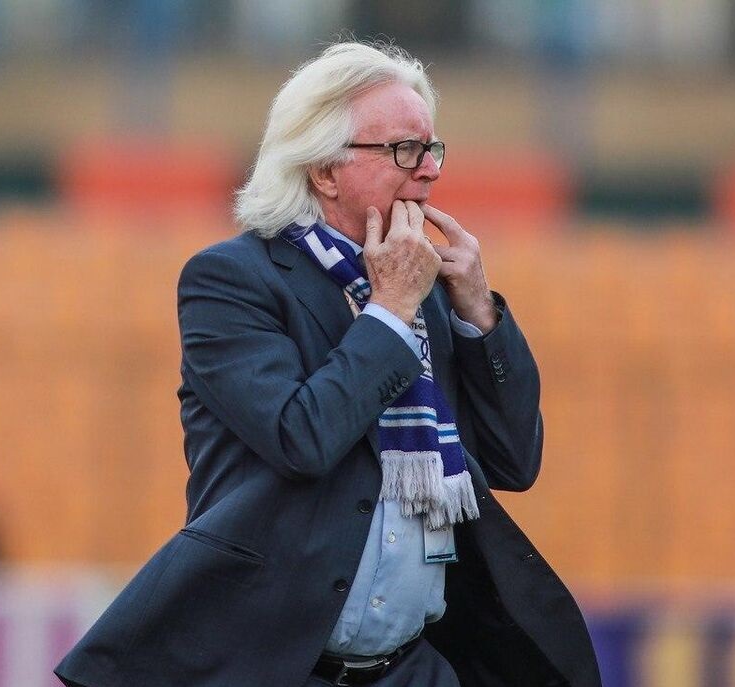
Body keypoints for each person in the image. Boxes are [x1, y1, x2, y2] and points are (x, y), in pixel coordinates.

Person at [55, 41, 600, 687]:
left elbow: (514, 460)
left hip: (414, 667)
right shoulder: (232, 281)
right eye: (405, 149)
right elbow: (302, 437)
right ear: (324, 171)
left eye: (432, 149)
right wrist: (390, 311)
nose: (429, 170)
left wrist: (480, 312)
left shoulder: (424, 288)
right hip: (275, 669)